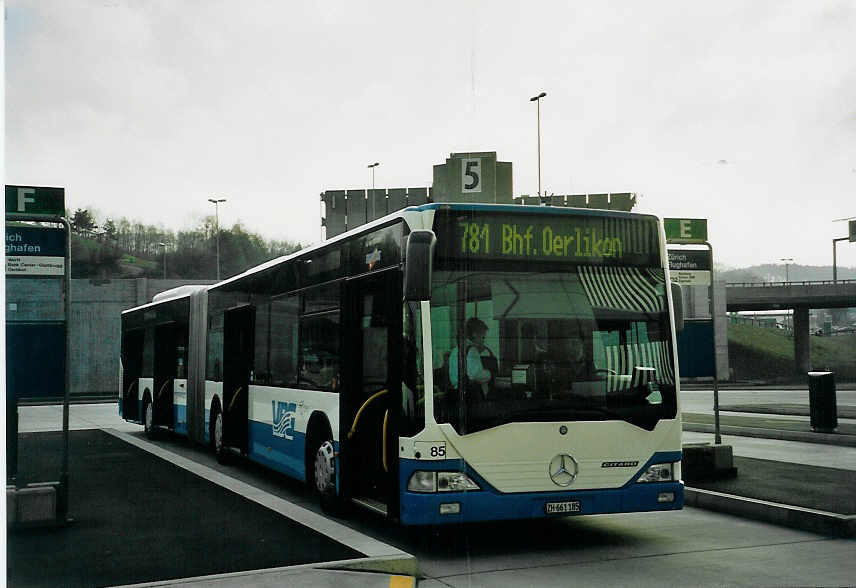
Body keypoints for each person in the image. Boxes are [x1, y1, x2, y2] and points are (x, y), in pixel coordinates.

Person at [449, 317, 497, 399]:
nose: (483, 341)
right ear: (475, 334)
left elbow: (453, 378)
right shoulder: (472, 350)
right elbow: (476, 374)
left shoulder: (455, 350)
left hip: (456, 393)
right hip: (472, 396)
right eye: (483, 337)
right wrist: (489, 374)